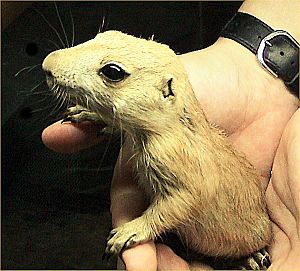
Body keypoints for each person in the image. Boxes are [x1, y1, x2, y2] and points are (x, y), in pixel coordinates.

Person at [42, 0, 299, 269]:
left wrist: (143, 226)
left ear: (166, 93)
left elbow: (183, 198)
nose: (54, 63)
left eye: (112, 74)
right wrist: (105, 117)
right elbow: (138, 118)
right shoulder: (158, 123)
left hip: (235, 236)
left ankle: (249, 254)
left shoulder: (167, 150)